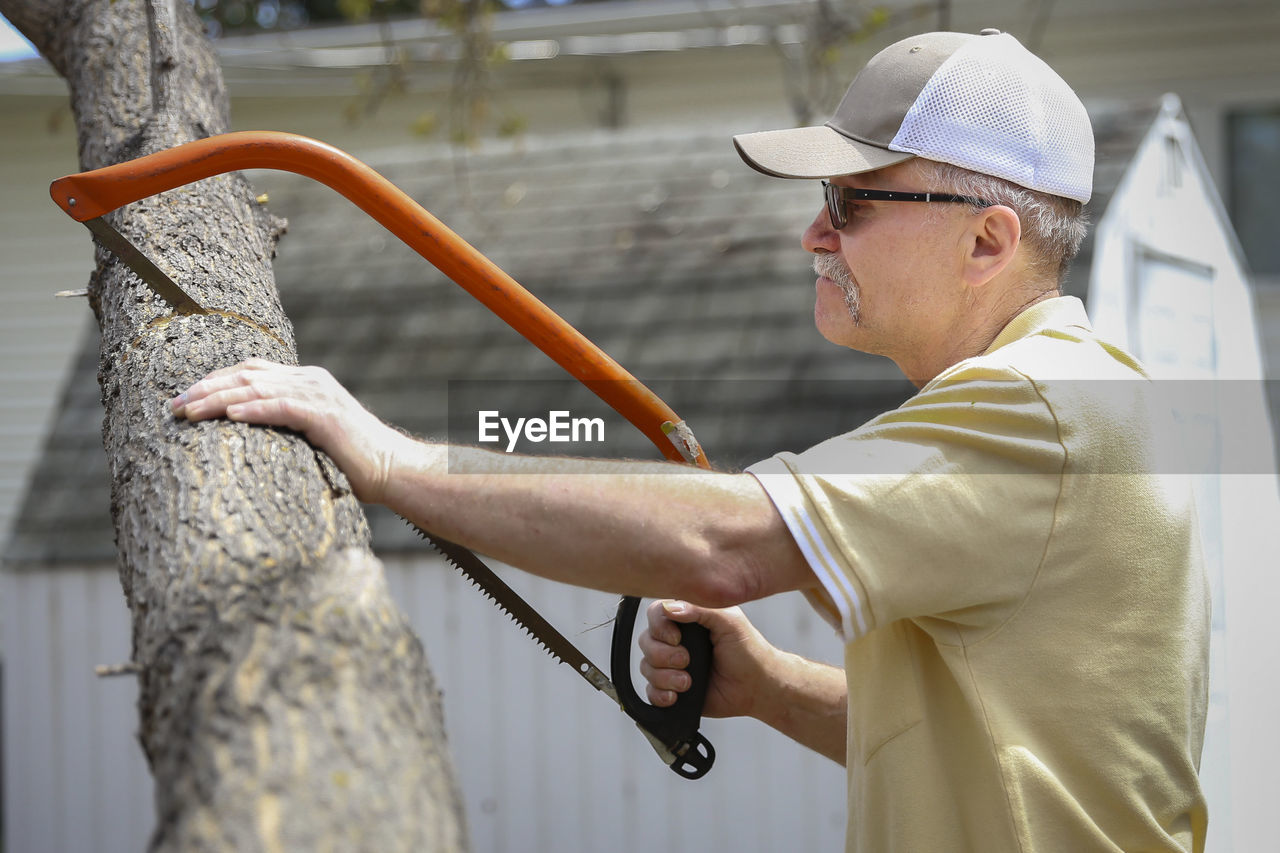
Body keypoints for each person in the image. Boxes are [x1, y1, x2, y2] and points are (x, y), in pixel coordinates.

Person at [171, 29, 1210, 852]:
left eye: (851, 203)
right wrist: (764, 690)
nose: (813, 233)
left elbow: (721, 545)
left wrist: (392, 460)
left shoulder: (1039, 405)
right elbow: (986, 751)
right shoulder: (1061, 401)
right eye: (821, 201)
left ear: (987, 240)